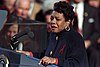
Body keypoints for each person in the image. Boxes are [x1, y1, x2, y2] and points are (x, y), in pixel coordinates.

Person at [39, 1, 89, 67]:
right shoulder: (52, 35)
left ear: (68, 22)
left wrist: (55, 61)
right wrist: (28, 54)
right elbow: (45, 56)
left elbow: (77, 64)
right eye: (52, 18)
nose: (53, 22)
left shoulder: (75, 38)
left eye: (57, 19)